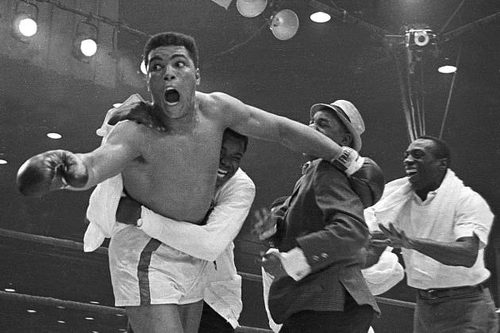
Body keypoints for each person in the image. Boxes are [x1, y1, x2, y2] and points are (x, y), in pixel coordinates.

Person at [16, 32, 364, 333]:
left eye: (179, 64)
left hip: (195, 260)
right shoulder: (136, 130)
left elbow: (279, 128)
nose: (168, 72)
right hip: (147, 252)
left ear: (197, 75)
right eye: (156, 66)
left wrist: (345, 157)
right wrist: (68, 167)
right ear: (148, 79)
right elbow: (95, 163)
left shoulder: (218, 111)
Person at [253, 100, 386, 333]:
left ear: (344, 141)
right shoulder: (309, 175)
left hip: (328, 302)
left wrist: (291, 262)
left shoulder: (326, 169)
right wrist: (274, 229)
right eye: (311, 122)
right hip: (329, 302)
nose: (310, 129)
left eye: (322, 124)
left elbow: (350, 231)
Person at [112, 128, 254, 332]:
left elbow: (210, 245)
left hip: (212, 296)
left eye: (235, 157)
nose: (225, 161)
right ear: (206, 143)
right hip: (153, 274)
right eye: (220, 152)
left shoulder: (240, 185)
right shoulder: (170, 160)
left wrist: (142, 218)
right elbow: (107, 209)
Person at [368, 135, 498, 333]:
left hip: (466, 308)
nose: (408, 160)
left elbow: (467, 254)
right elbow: (372, 255)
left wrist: (411, 243)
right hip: (425, 307)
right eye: (407, 155)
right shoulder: (397, 201)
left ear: (442, 164)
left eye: (418, 155)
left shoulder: (467, 200)